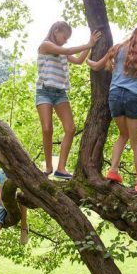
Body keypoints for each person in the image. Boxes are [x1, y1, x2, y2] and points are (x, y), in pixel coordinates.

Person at [87, 25, 137, 194]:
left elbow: (95, 66)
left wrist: (86, 59)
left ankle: (113, 170)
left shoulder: (116, 49)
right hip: (133, 97)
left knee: (123, 135)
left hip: (115, 96)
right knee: (136, 143)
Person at [36, 21, 101, 179]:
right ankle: (48, 167)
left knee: (70, 128)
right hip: (44, 91)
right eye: (65, 36)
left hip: (60, 93)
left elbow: (78, 61)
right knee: (47, 129)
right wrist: (88, 44)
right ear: (56, 31)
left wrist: (91, 46)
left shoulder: (62, 51)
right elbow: (66, 50)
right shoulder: (45, 45)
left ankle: (61, 168)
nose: (66, 40)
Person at [0, 168, 29, 274]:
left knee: (22, 197)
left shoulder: (20, 169)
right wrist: (8, 208)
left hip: (17, 202)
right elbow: (0, 195)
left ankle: (24, 226)